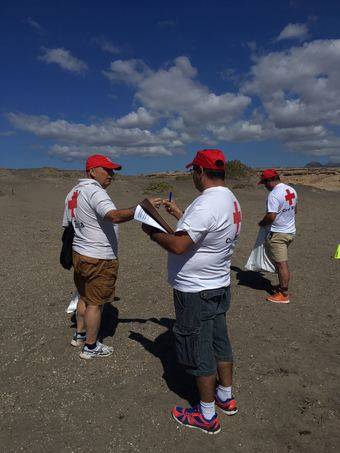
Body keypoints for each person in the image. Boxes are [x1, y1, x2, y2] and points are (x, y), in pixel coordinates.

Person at [142, 149, 241, 435]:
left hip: (197, 290)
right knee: (220, 342)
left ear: (199, 171)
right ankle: (226, 395)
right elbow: (209, 232)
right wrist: (181, 215)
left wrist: (150, 229)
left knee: (199, 350)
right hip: (218, 284)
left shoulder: (206, 204)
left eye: (192, 172)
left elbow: (178, 245)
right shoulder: (230, 200)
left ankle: (206, 415)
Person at [63, 154, 140, 359]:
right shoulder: (95, 191)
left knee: (84, 296)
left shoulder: (73, 193)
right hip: (99, 256)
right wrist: (140, 209)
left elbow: (67, 225)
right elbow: (113, 216)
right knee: (95, 303)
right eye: (107, 170)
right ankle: (90, 346)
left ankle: (79, 334)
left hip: (80, 254)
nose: (111, 174)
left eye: (112, 170)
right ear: (92, 171)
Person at [258, 169, 297, 304]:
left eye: (264, 183)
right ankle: (282, 286)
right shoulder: (291, 190)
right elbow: (295, 210)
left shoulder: (274, 195)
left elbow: (271, 216)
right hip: (290, 232)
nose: (264, 186)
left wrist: (261, 223)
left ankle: (283, 293)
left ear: (269, 181)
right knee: (280, 262)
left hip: (279, 234)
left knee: (281, 264)